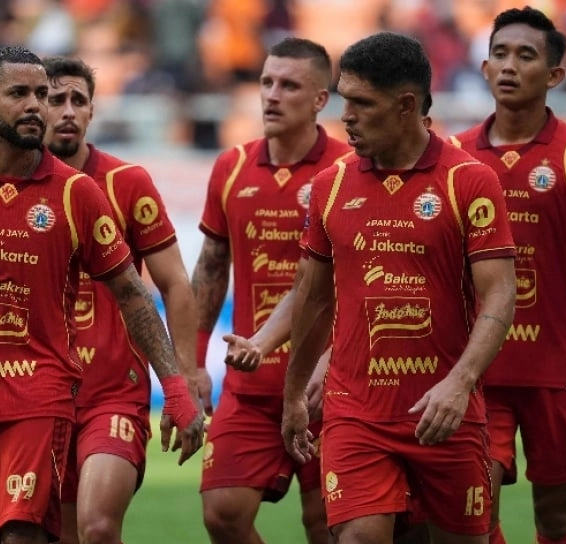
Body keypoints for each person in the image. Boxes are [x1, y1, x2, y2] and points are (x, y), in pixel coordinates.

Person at [0, 46, 204, 544]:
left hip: (40, 396)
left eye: (41, 93)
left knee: (26, 534)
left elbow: (132, 293)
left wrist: (175, 386)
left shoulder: (75, 192)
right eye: (19, 93)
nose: (36, 105)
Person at [281, 32, 518, 544]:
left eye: (362, 103)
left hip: (444, 412)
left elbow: (501, 294)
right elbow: (314, 297)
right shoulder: (332, 185)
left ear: (407, 105)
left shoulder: (470, 182)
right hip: (355, 413)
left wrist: (460, 383)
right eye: (344, 100)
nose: (346, 115)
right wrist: (294, 392)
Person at [449, 7, 566, 544]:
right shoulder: (455, 158)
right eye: (500, 54)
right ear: (485, 68)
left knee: (556, 522)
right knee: (474, 519)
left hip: (559, 372)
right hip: (476, 372)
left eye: (525, 55)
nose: (509, 66)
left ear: (555, 75)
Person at [40, 55, 208, 544]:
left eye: (79, 100)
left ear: (93, 112)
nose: (68, 111)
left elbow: (176, 283)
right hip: (38, 393)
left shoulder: (126, 183)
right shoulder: (17, 190)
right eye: (56, 99)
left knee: (97, 527)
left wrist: (184, 376)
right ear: (36, 107)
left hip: (113, 393)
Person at [191, 37, 350, 544]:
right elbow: (211, 267)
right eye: (265, 82)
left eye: (288, 85)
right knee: (222, 515)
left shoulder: (346, 170)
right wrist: (194, 363)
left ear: (321, 99)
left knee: (325, 525)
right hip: (250, 382)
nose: (271, 95)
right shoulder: (231, 167)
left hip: (328, 382)